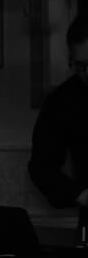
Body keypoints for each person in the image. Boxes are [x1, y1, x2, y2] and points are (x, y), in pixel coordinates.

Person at [28, 13, 88, 242]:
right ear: (71, 61)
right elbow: (41, 166)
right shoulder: (63, 100)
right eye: (81, 66)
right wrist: (81, 195)